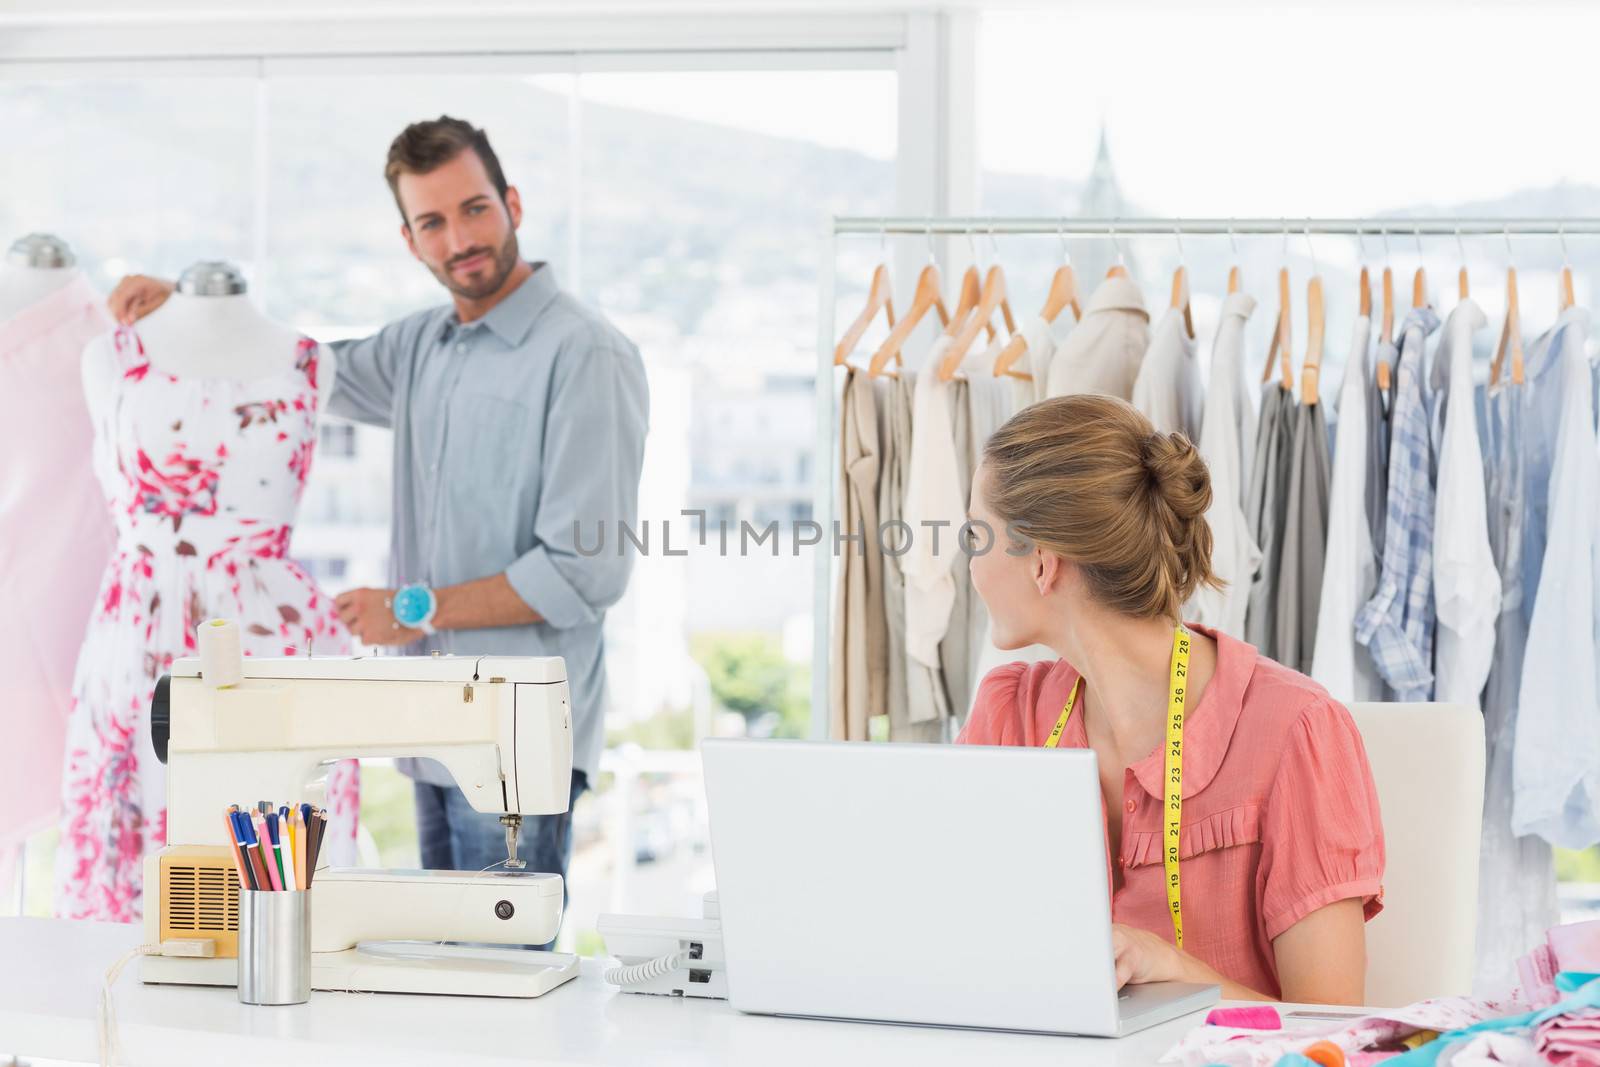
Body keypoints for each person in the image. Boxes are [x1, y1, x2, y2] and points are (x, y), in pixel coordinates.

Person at [108, 116, 650, 943]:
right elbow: (292, 366)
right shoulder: (421, 347)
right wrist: (181, 311)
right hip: (428, 728)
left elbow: (588, 572)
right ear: (409, 239)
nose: (460, 238)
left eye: (474, 209)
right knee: (443, 983)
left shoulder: (585, 355)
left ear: (512, 203)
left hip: (512, 735)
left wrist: (416, 608)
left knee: (498, 979)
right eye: (433, 222)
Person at [959, 394, 1384, 1004]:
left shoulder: (1297, 730)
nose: (969, 564)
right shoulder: (1008, 714)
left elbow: (1330, 1033)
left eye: (977, 534)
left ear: (1043, 564)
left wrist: (1174, 969)